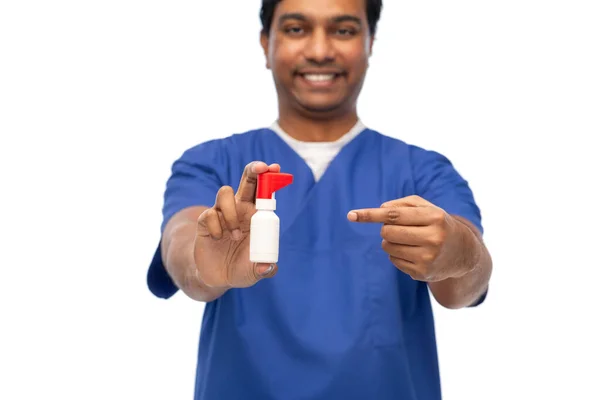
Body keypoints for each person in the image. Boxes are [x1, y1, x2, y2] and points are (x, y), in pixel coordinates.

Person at [147, 0, 493, 398]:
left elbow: (465, 284)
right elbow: (180, 243)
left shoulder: (423, 171)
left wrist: (462, 254)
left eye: (343, 30)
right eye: (296, 29)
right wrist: (202, 266)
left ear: (370, 43)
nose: (319, 50)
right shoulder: (210, 164)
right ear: (265, 43)